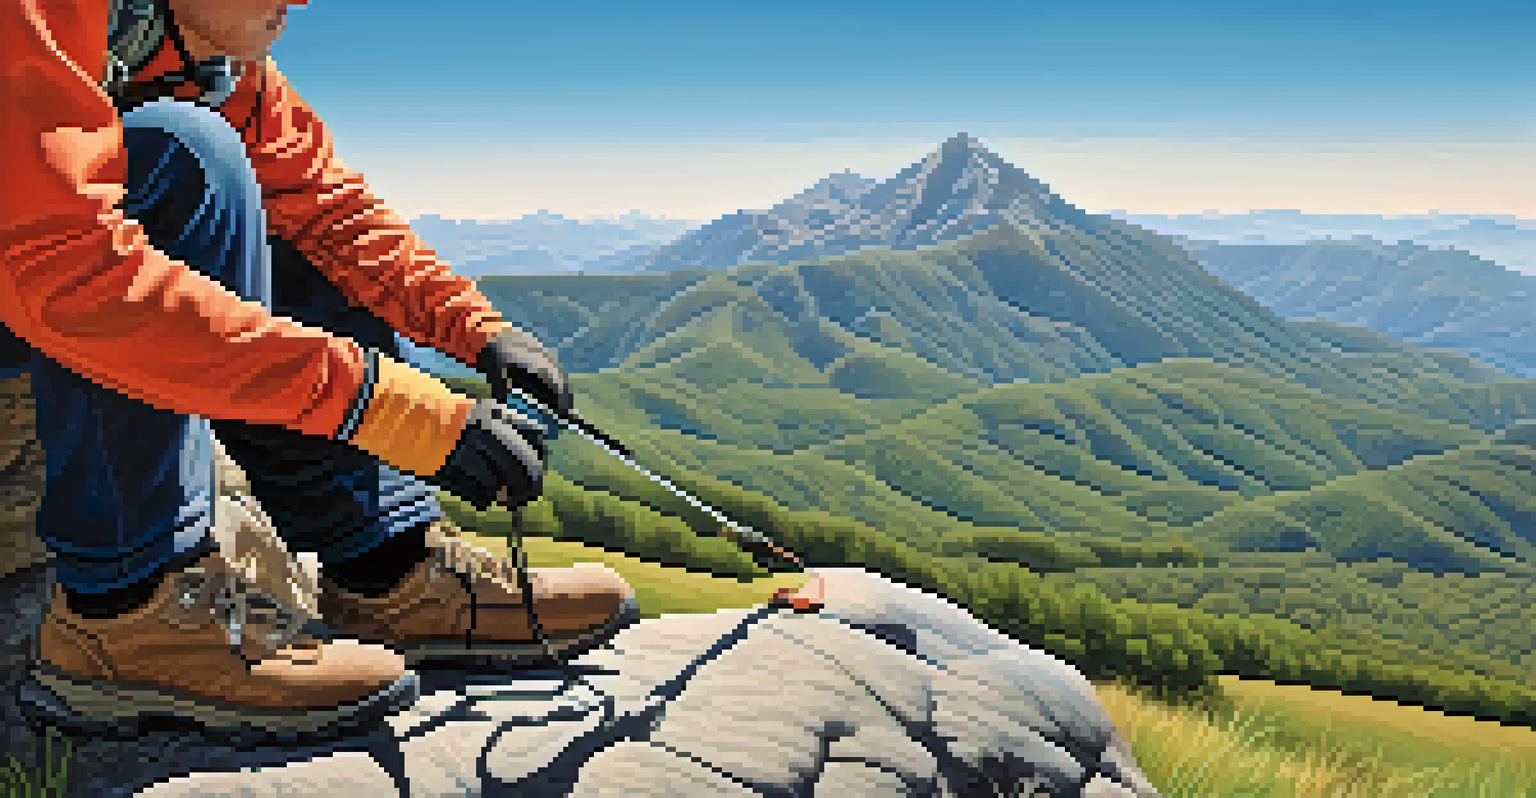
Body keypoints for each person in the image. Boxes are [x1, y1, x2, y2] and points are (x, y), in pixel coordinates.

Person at [1, 0, 638, 740]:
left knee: (251, 186)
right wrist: (400, 412)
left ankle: (387, 572)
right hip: (40, 269)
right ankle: (124, 611)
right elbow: (69, 275)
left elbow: (326, 208)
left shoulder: (192, 52)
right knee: (183, 157)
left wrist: (478, 329)